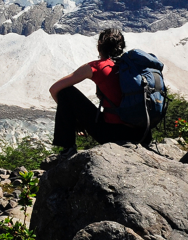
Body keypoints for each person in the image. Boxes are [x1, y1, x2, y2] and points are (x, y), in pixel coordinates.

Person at [49, 27, 144, 156]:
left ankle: (68, 148)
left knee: (66, 92)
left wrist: (75, 120)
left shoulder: (97, 66)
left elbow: (54, 89)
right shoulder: (132, 66)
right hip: (143, 133)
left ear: (99, 46)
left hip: (113, 135)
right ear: (122, 46)